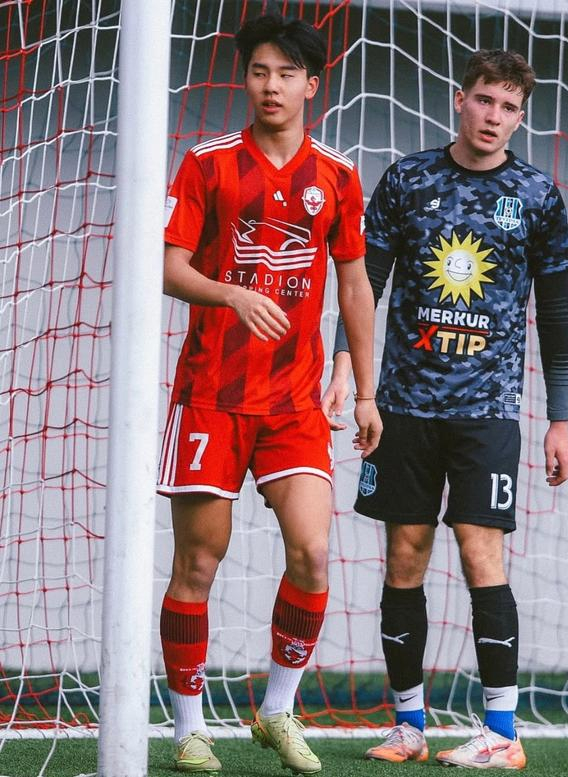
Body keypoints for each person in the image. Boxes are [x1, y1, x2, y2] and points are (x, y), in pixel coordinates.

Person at [323, 49, 568, 770]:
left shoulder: (536, 195)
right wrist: (345, 367)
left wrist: (560, 418)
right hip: (402, 406)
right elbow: (365, 282)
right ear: (460, 100)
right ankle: (409, 724)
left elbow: (555, 314)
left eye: (510, 107)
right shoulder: (408, 179)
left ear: (520, 118)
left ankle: (502, 731)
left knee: (479, 550)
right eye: (485, 100)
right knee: (404, 554)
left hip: (487, 411)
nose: (495, 116)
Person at [157, 12, 382, 775]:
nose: (271, 85)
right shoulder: (209, 164)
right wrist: (230, 293)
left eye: (286, 73)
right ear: (246, 80)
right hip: (211, 396)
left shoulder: (337, 175)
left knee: (313, 552)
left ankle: (277, 708)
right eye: (259, 71)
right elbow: (169, 265)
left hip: (293, 402)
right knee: (199, 559)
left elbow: (355, 285)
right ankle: (189, 728)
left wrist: (364, 391)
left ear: (311, 85)